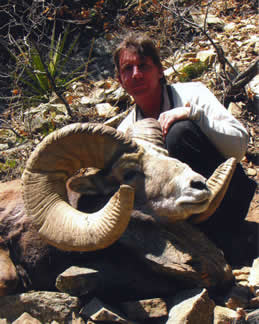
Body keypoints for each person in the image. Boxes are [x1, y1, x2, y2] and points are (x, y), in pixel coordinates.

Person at [113, 32, 257, 265]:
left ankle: (228, 238)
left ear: (160, 71)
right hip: (179, 216)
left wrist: (194, 115)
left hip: (227, 198)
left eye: (143, 66)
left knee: (178, 132)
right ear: (120, 80)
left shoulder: (192, 94)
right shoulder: (124, 131)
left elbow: (239, 147)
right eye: (127, 69)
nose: (136, 74)